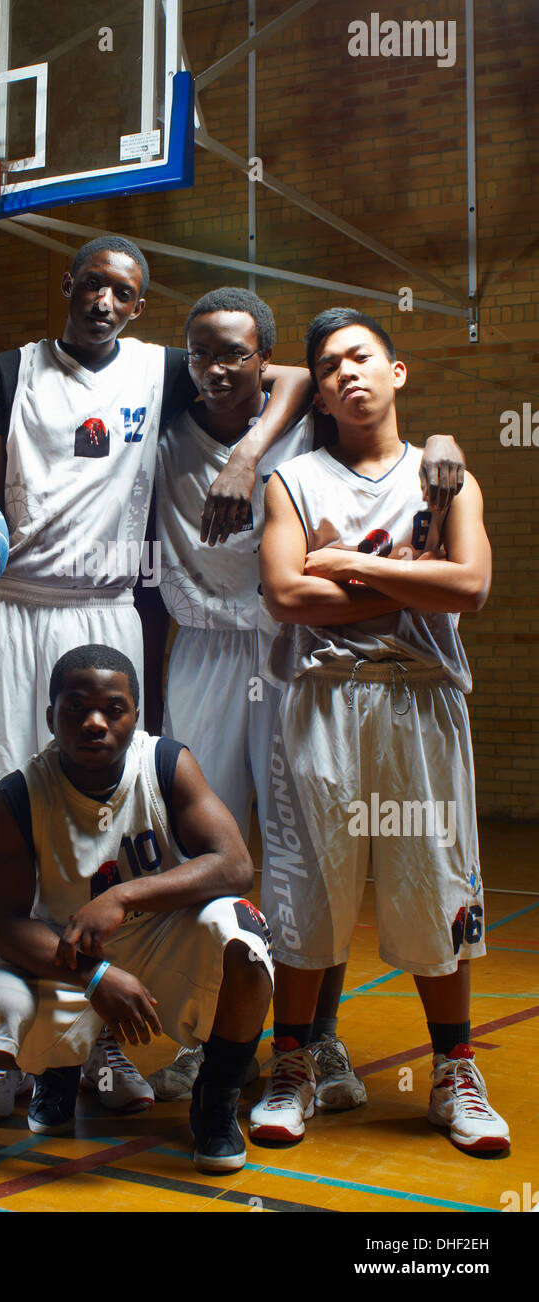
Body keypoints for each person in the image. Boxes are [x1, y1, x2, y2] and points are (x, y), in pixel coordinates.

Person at [0, 236, 309, 1115]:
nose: (105, 300)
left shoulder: (162, 369)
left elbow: (293, 373)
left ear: (139, 306)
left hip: (105, 612)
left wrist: (243, 452)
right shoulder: (6, 371)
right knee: (17, 826)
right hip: (15, 609)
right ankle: (13, 1039)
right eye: (94, 284)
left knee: (109, 834)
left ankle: (106, 1038)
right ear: (68, 286)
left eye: (125, 290)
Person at [142, 288, 466, 1110]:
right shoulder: (165, 411)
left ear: (268, 361)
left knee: (310, 852)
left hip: (301, 660)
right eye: (202, 354)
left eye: (239, 354)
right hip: (213, 644)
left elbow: (456, 551)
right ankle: (211, 1036)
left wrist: (442, 437)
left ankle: (314, 1042)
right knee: (204, 849)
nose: (220, 367)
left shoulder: (301, 421)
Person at [250, 307, 508, 1154]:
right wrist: (414, 576)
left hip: (420, 702)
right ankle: (291, 1066)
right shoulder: (291, 482)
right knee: (306, 888)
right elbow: (286, 595)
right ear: (318, 396)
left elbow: (467, 587)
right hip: (322, 702)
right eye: (326, 369)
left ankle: (453, 1073)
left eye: (360, 357)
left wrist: (355, 565)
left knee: (434, 881)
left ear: (396, 372)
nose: (343, 374)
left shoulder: (447, 479)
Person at [0, 645, 275, 1174]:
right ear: (50, 716)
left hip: (160, 939)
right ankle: (57, 1071)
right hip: (65, 954)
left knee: (243, 934)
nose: (94, 722)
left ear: (135, 716)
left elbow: (235, 864)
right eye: (75, 707)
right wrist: (96, 974)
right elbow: (4, 926)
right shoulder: (19, 795)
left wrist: (124, 896)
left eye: (113, 708)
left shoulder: (166, 763)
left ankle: (216, 1100)